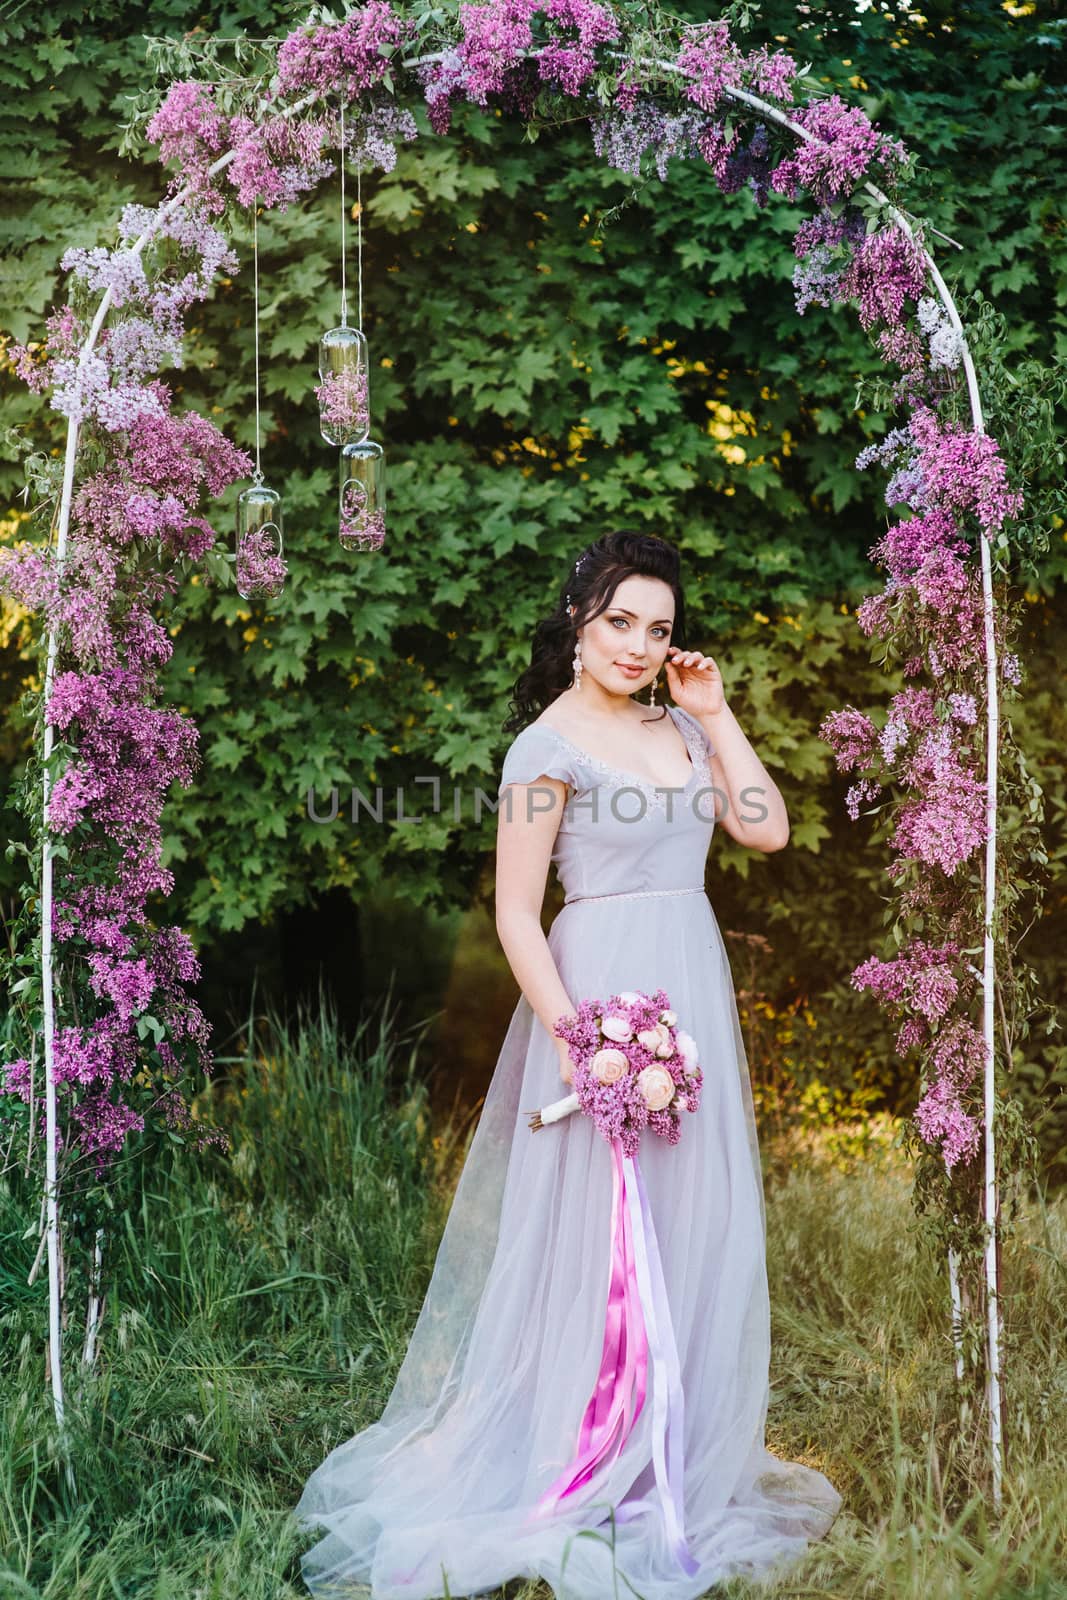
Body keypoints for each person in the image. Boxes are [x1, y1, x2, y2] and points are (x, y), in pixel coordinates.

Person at [294, 529, 842, 1599]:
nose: (638, 644)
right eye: (619, 621)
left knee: (692, 1218)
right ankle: (585, 1450)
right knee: (600, 1244)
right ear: (577, 622)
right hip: (600, 995)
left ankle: (671, 1449)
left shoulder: (679, 720)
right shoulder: (542, 750)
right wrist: (578, 1037)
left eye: (658, 628)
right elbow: (512, 912)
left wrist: (718, 716)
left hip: (690, 983)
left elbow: (764, 830)